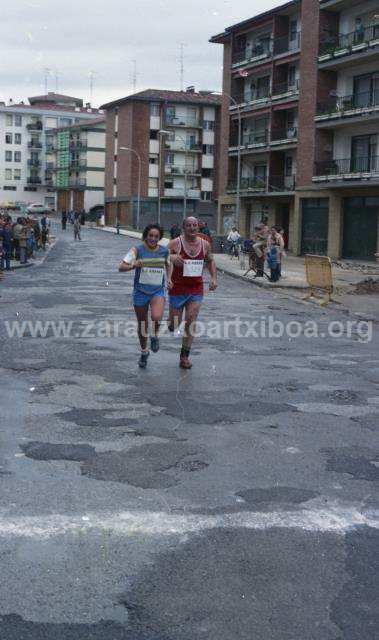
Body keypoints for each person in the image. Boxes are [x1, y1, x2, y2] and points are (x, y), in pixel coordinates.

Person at [119, 224, 171, 369]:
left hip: (157, 291)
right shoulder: (137, 250)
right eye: (150, 235)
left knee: (156, 316)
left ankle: (154, 336)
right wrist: (133, 265)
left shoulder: (164, 251)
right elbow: (121, 267)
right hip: (140, 292)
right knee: (142, 325)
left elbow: (169, 264)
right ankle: (144, 352)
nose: (153, 239)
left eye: (156, 236)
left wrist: (169, 278)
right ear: (146, 236)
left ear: (159, 238)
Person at [168, 216, 217, 369]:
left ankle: (184, 356)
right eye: (188, 225)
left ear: (198, 227)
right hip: (177, 288)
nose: (192, 228)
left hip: (195, 288)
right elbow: (162, 256)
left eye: (194, 225)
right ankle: (172, 323)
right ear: (184, 227)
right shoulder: (176, 243)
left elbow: (210, 261)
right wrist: (171, 257)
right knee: (174, 324)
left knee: (191, 319)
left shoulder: (205, 244)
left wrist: (213, 278)